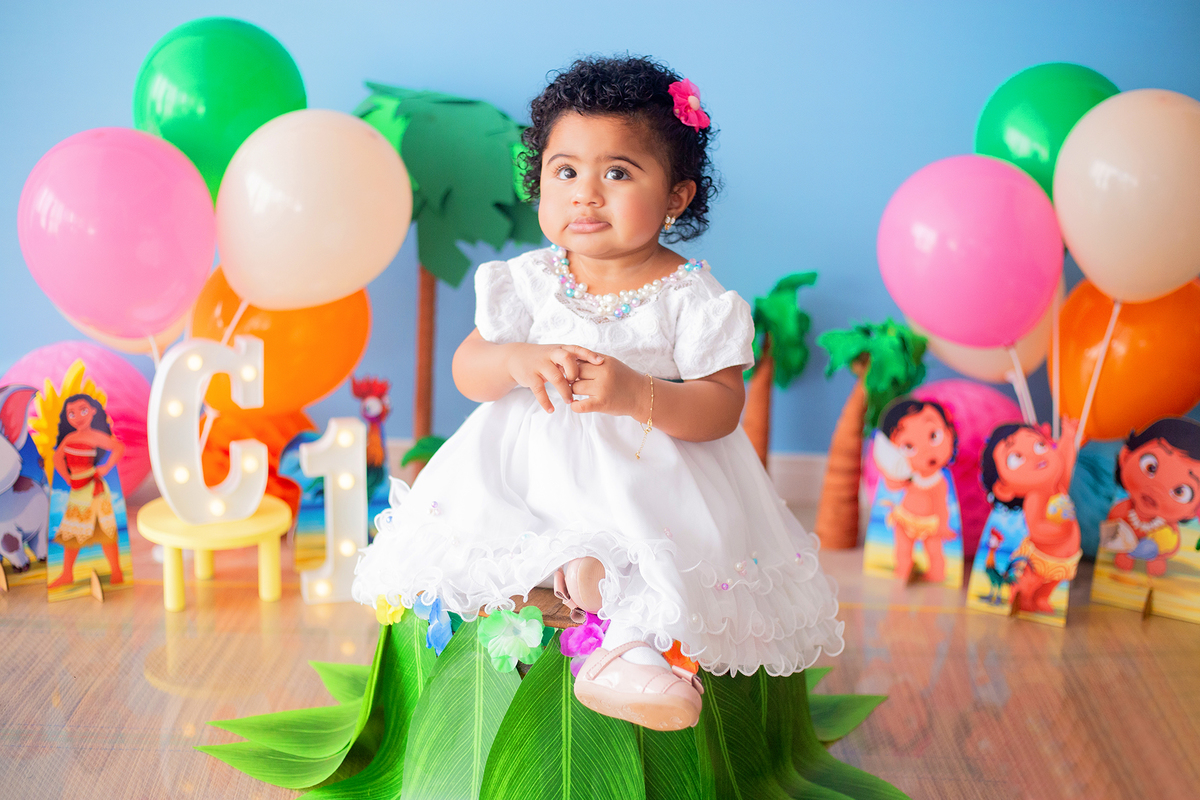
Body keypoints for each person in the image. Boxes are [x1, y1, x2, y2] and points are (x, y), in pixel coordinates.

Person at [351, 55, 843, 731]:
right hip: (528, 470)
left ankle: (631, 657)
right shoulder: (526, 281)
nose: (586, 193)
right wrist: (517, 359)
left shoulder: (692, 298)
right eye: (566, 171)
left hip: (647, 473)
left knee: (643, 556)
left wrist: (637, 392)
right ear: (541, 181)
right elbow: (471, 368)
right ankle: (540, 601)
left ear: (676, 196)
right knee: (496, 542)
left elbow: (721, 409)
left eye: (617, 172)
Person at [979, 420, 1081, 614]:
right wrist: (1062, 529)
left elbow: (1066, 463)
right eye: (1016, 457)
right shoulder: (1035, 497)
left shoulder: (1058, 487)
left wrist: (1068, 436)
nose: (1035, 455)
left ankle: (1041, 598)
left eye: (1040, 445)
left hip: (1062, 560)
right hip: (1040, 559)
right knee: (1031, 580)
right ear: (1004, 488)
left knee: (1050, 585)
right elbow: (1037, 529)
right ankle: (1021, 597)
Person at [872, 399, 958, 582]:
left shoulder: (939, 482)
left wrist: (943, 525)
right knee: (903, 548)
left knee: (934, 550)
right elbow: (894, 486)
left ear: (949, 433)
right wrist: (890, 470)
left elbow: (941, 505)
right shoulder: (908, 476)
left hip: (929, 524)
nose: (926, 451)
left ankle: (937, 573)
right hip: (905, 518)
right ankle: (904, 568)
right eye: (909, 447)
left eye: (934, 436)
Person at [1105, 417, 1200, 576]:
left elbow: (1172, 545)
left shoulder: (1168, 529)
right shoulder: (1122, 510)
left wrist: (1159, 555)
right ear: (1126, 457)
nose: (1157, 490)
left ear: (1195, 509)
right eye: (1150, 467)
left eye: (1180, 491)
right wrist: (1121, 550)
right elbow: (1110, 534)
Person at [47, 394, 125, 588]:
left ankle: (116, 570)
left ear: (93, 411)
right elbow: (57, 458)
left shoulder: (95, 436)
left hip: (94, 489)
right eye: (71, 413)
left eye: (83, 411)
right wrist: (66, 476)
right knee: (72, 532)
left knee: (105, 531)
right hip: (77, 489)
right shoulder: (70, 438)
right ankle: (67, 573)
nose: (78, 417)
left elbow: (118, 447)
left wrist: (106, 468)